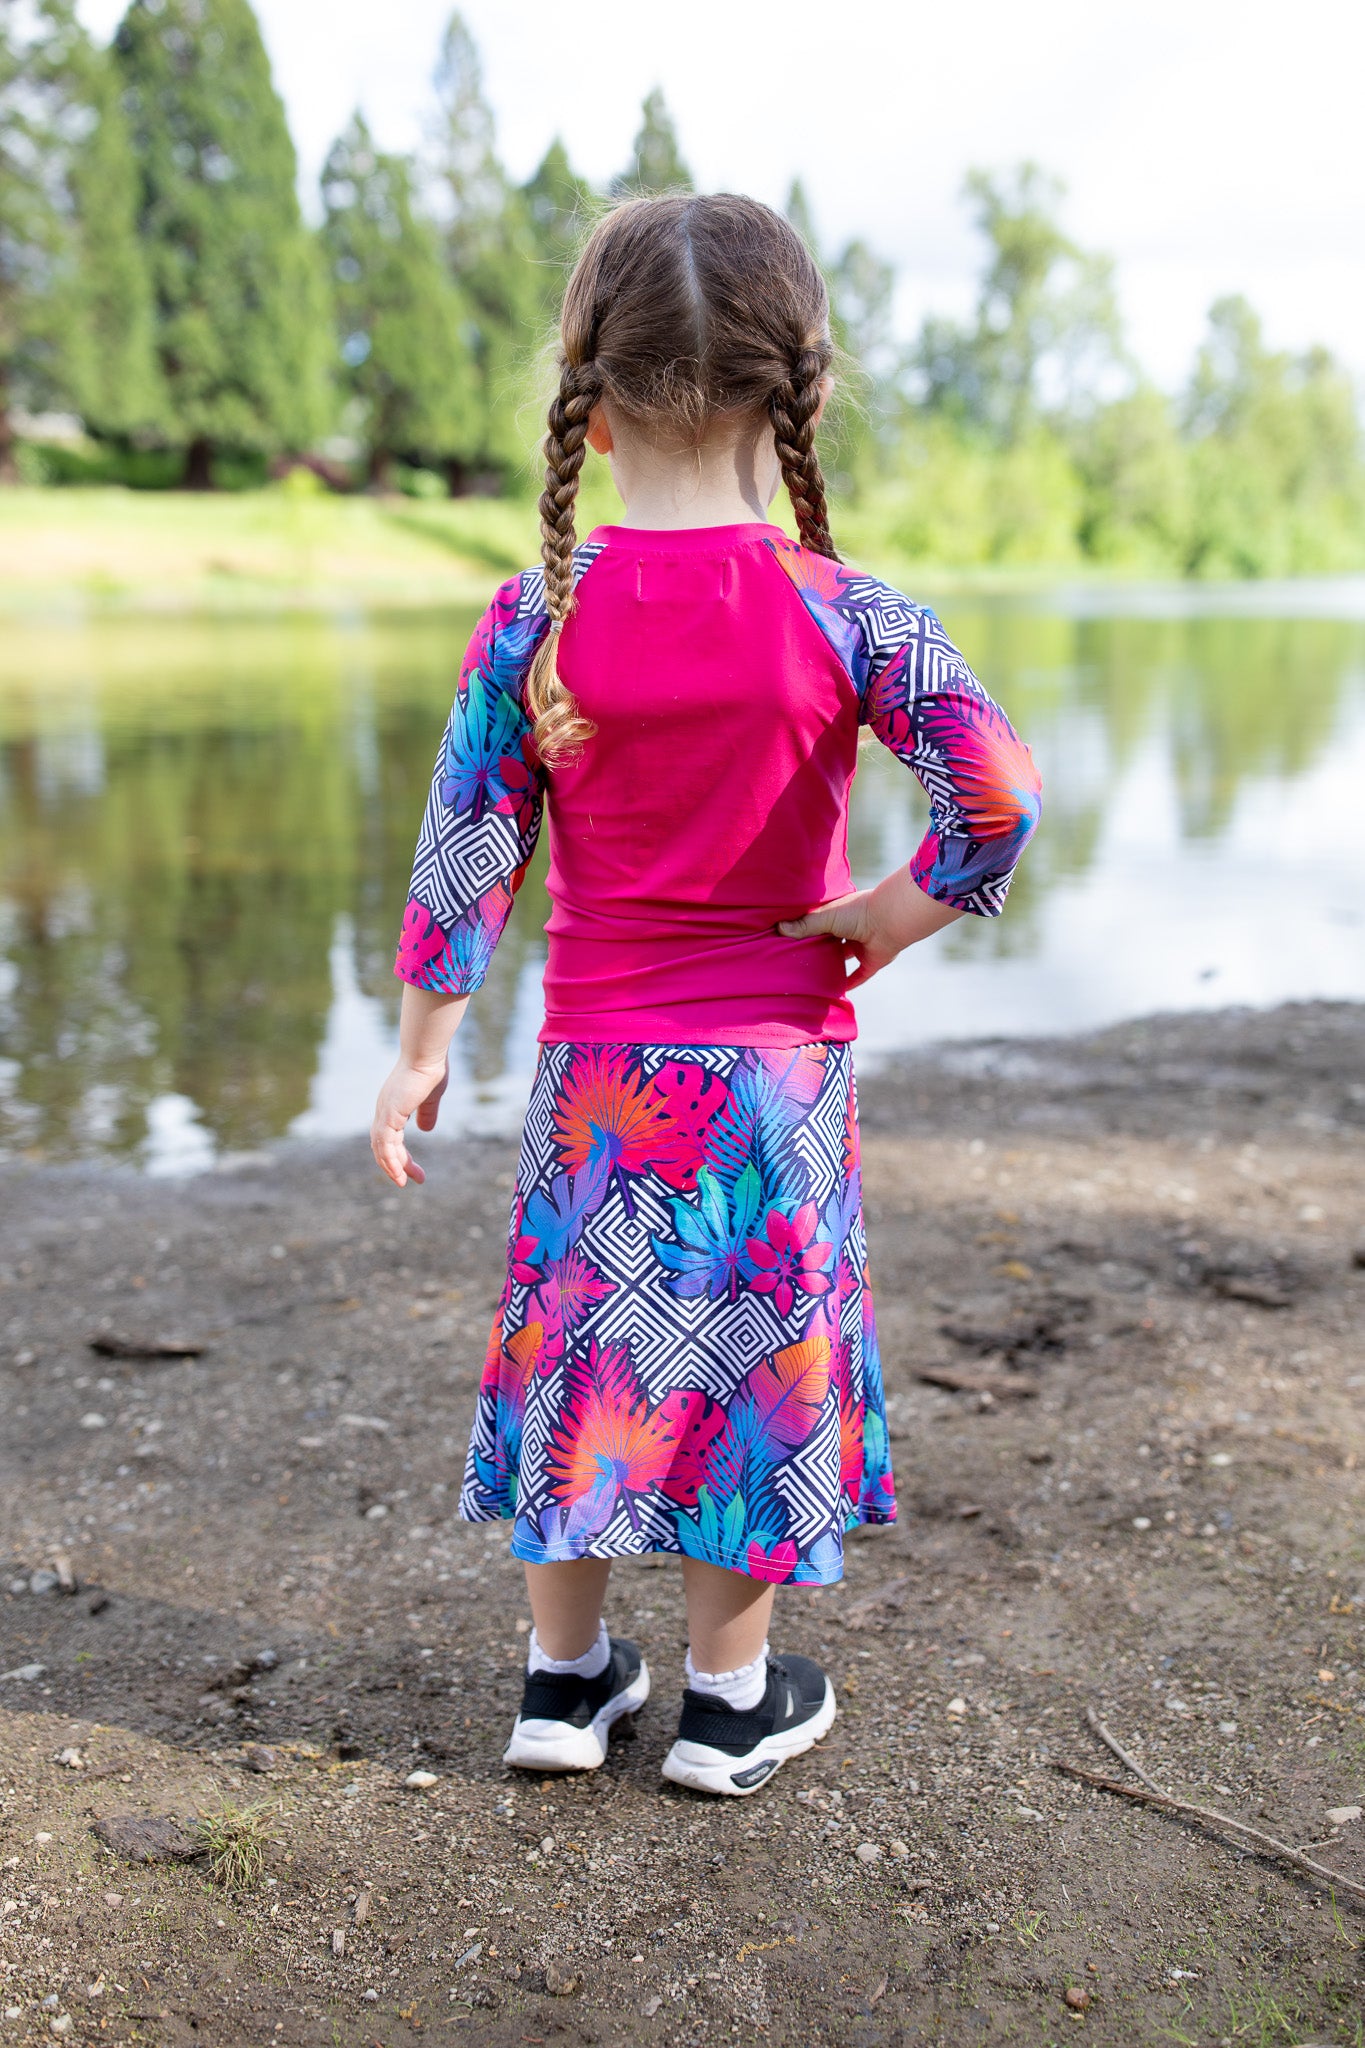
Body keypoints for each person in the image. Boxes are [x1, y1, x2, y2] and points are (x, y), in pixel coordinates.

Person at [371, 192, 1041, 1797]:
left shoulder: (532, 616)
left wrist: (419, 1052)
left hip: (599, 1081)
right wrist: (887, 916)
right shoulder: (850, 612)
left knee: (587, 1356)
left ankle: (561, 1686)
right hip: (773, 1083)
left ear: (589, 407)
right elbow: (1000, 796)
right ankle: (728, 1706)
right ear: (801, 392)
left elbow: (467, 851)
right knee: (744, 1365)